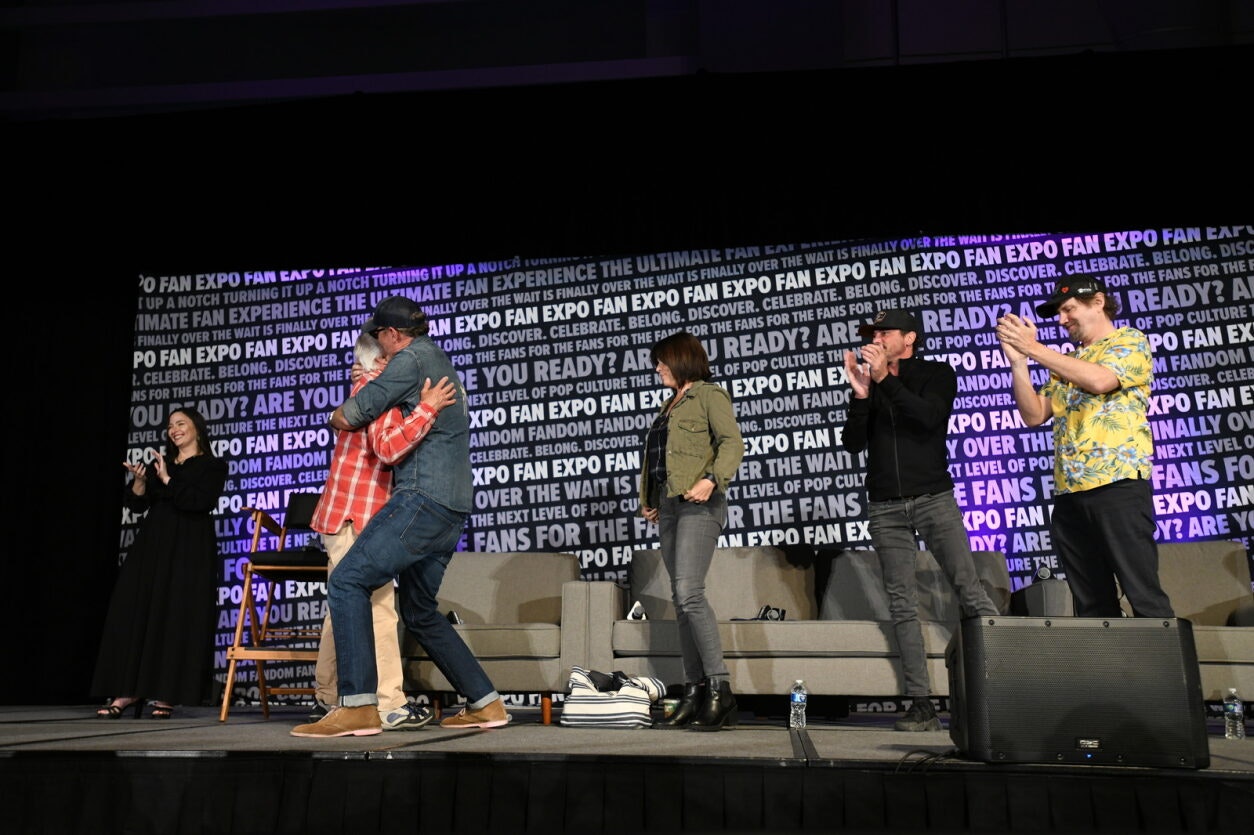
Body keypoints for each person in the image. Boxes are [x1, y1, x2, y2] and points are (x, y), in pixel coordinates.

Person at [292, 295, 506, 737]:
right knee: (419, 609)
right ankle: (486, 703)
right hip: (454, 509)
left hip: (422, 499)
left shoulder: (406, 362)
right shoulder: (439, 360)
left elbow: (348, 416)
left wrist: (348, 403)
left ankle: (358, 706)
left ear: (392, 335)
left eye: (381, 337)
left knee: (347, 580)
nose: (382, 346)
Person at [839, 309, 999, 732]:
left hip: (933, 499)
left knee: (970, 591)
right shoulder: (871, 381)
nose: (875, 337)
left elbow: (928, 420)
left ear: (909, 338)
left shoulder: (935, 373)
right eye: (872, 333)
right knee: (902, 606)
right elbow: (853, 444)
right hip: (885, 507)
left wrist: (885, 381)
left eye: (884, 331)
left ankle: (1003, 691)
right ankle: (922, 706)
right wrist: (860, 394)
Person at [996, 276, 1173, 619]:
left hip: (1117, 486)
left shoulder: (1129, 341)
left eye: (1068, 309)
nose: (1062, 320)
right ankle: (1113, 672)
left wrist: (1035, 349)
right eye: (1060, 312)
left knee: (1143, 595)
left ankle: (1169, 673)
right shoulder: (1065, 363)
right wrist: (1019, 363)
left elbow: (1100, 380)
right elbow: (1034, 415)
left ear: (1098, 302)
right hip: (1069, 495)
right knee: (1092, 606)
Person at [308, 331, 458, 731]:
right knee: (378, 607)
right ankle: (390, 703)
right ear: (383, 360)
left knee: (341, 605)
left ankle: (327, 694)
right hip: (359, 513)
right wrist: (426, 409)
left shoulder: (364, 383)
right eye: (397, 358)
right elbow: (388, 449)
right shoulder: (377, 389)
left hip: (343, 513)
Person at [92, 406, 228, 719]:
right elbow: (139, 505)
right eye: (170, 426)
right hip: (154, 545)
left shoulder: (213, 466)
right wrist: (140, 481)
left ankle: (167, 694)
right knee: (137, 611)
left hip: (190, 549)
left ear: (197, 427)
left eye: (180, 423)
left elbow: (197, 502)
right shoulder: (160, 465)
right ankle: (127, 691)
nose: (173, 430)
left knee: (177, 615)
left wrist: (167, 478)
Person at [639, 331, 745, 731]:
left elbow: (732, 442)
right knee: (680, 599)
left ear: (682, 360)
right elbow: (657, 458)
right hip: (669, 507)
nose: (658, 368)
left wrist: (713, 479)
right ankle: (695, 690)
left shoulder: (709, 395)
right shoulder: (669, 406)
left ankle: (721, 689)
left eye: (662, 361)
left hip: (700, 505)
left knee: (689, 592)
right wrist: (649, 498)